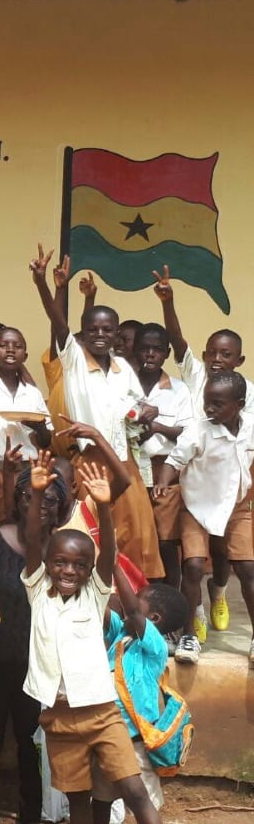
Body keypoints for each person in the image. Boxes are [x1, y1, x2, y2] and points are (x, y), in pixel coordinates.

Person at [22, 457, 162, 824]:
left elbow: (109, 555)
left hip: (102, 713)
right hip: (58, 717)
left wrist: (103, 506)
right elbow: (32, 540)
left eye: (80, 566)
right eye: (60, 563)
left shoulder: (95, 594)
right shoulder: (37, 591)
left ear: (90, 570)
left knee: (134, 791)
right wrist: (36, 496)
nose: (69, 571)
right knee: (78, 802)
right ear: (48, 564)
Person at [30, 244, 162, 579]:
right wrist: (44, 284)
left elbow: (134, 405)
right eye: (93, 330)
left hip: (122, 460)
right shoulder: (74, 360)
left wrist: (147, 410)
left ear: (117, 334)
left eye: (107, 330)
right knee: (92, 534)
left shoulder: (122, 367)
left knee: (137, 535)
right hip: (89, 462)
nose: (100, 336)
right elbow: (57, 322)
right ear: (83, 334)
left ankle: (137, 604)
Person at [154, 264, 245, 637]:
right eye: (213, 353)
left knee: (221, 556)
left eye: (226, 355)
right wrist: (168, 301)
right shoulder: (196, 376)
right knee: (185, 555)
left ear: (238, 360)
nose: (217, 359)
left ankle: (218, 593)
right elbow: (177, 341)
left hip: (225, 480)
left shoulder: (244, 392)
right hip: (185, 473)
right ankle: (193, 617)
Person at [0, 453, 66, 824]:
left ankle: (31, 815)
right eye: (30, 496)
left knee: (32, 747)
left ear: (62, 507)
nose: (39, 505)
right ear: (17, 500)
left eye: (49, 499)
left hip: (39, 667)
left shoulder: (67, 553)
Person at [153, 371, 254, 666]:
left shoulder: (250, 428)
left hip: (236, 508)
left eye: (218, 404)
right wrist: (163, 481)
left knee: (248, 569)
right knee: (194, 566)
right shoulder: (199, 430)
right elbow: (176, 460)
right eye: (207, 402)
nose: (209, 409)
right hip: (197, 507)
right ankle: (189, 636)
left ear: (239, 404)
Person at [91, 568, 190, 819]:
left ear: (154, 618)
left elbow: (133, 611)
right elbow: (101, 610)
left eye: (137, 597)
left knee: (140, 801)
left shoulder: (154, 645)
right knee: (101, 801)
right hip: (108, 735)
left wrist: (114, 565)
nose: (130, 601)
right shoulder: (121, 635)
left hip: (134, 742)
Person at [132, 323, 193, 589]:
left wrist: (156, 427)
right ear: (135, 350)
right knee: (135, 536)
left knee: (166, 541)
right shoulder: (123, 383)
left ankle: (171, 600)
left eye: (157, 350)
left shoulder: (179, 390)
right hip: (131, 469)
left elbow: (189, 433)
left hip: (164, 471)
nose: (150, 354)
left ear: (166, 353)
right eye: (144, 348)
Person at [0, 325, 52, 528]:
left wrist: (38, 427)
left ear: (25, 355)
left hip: (26, 473)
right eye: (3, 345)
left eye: (17, 346)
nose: (10, 350)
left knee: (27, 526)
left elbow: (47, 440)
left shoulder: (32, 393)